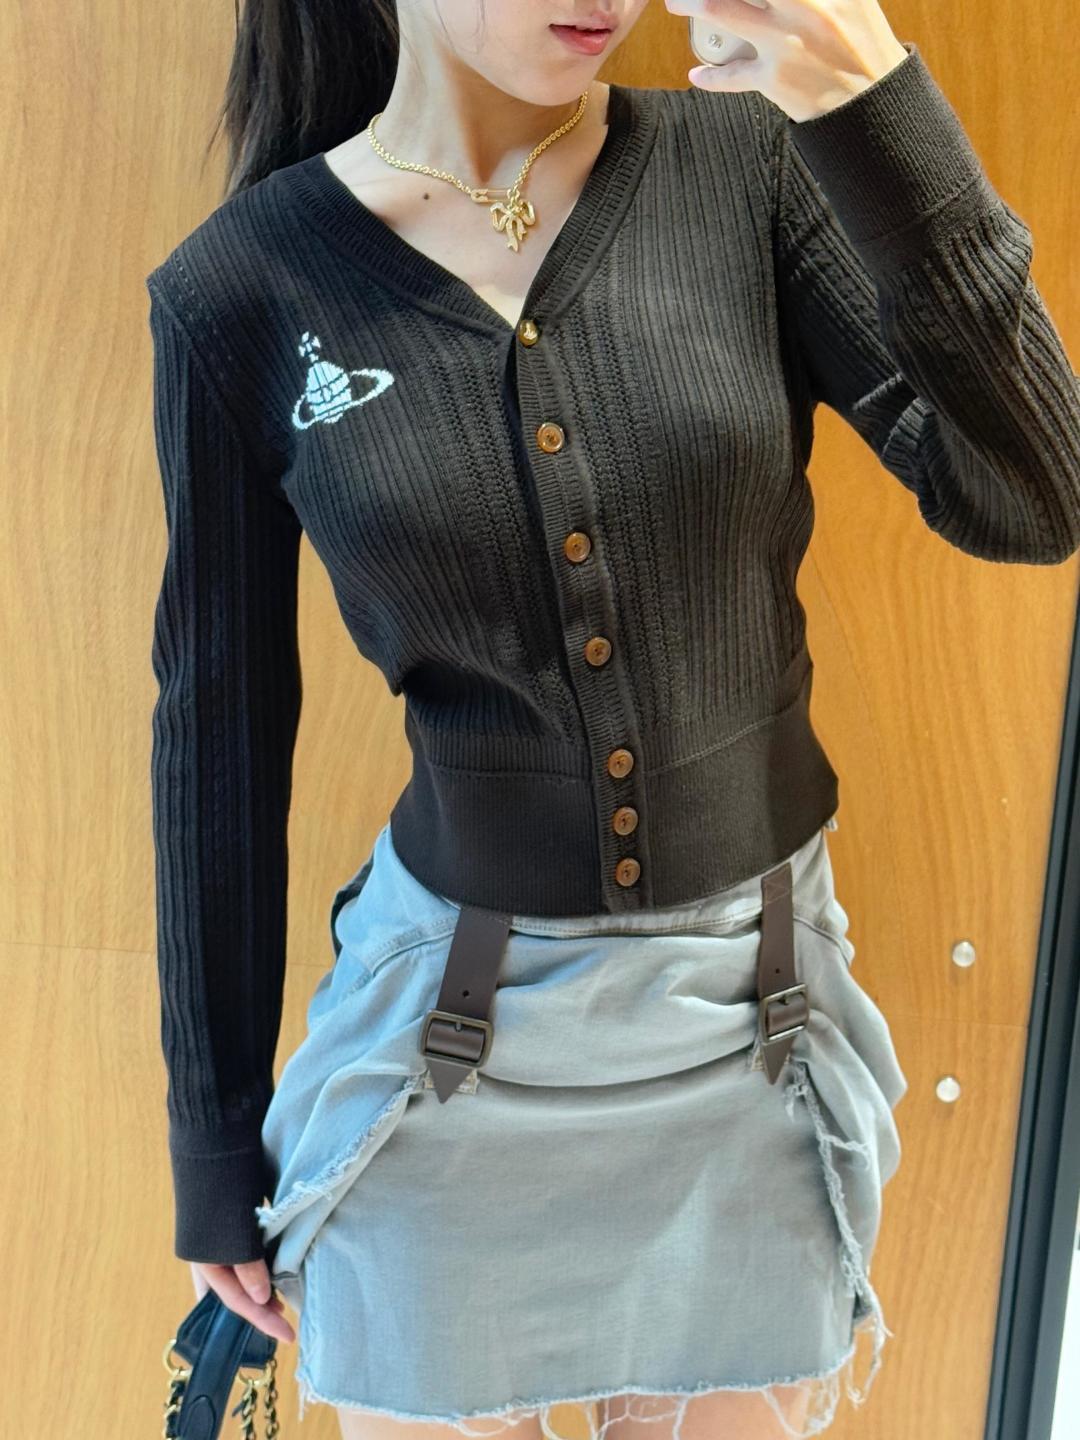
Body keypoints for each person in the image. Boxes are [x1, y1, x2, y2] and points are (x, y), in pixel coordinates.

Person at [144, 1, 1080, 1437]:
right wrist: (212, 1140)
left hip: (751, 1032)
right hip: (438, 1056)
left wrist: (876, 112)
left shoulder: (753, 174)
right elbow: (219, 734)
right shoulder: (240, 291)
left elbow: (1033, 492)